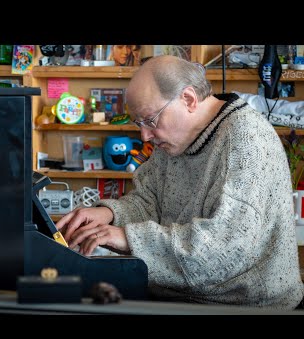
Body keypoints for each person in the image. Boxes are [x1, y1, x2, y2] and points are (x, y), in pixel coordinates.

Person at [56, 55, 304, 310]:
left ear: (188, 99)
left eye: (150, 120)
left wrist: (128, 238)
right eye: (139, 123)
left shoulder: (246, 140)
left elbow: (223, 251)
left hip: (245, 305)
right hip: (184, 296)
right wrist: (109, 214)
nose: (145, 135)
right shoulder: (174, 140)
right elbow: (150, 200)